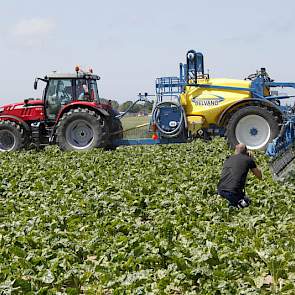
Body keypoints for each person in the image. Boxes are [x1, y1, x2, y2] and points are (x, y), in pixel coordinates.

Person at [217, 143, 262, 208]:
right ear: (246, 152)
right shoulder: (248, 160)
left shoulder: (228, 159)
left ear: (236, 150)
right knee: (247, 203)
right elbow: (259, 176)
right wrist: (253, 159)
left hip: (220, 190)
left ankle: (228, 203)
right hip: (232, 192)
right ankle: (235, 205)